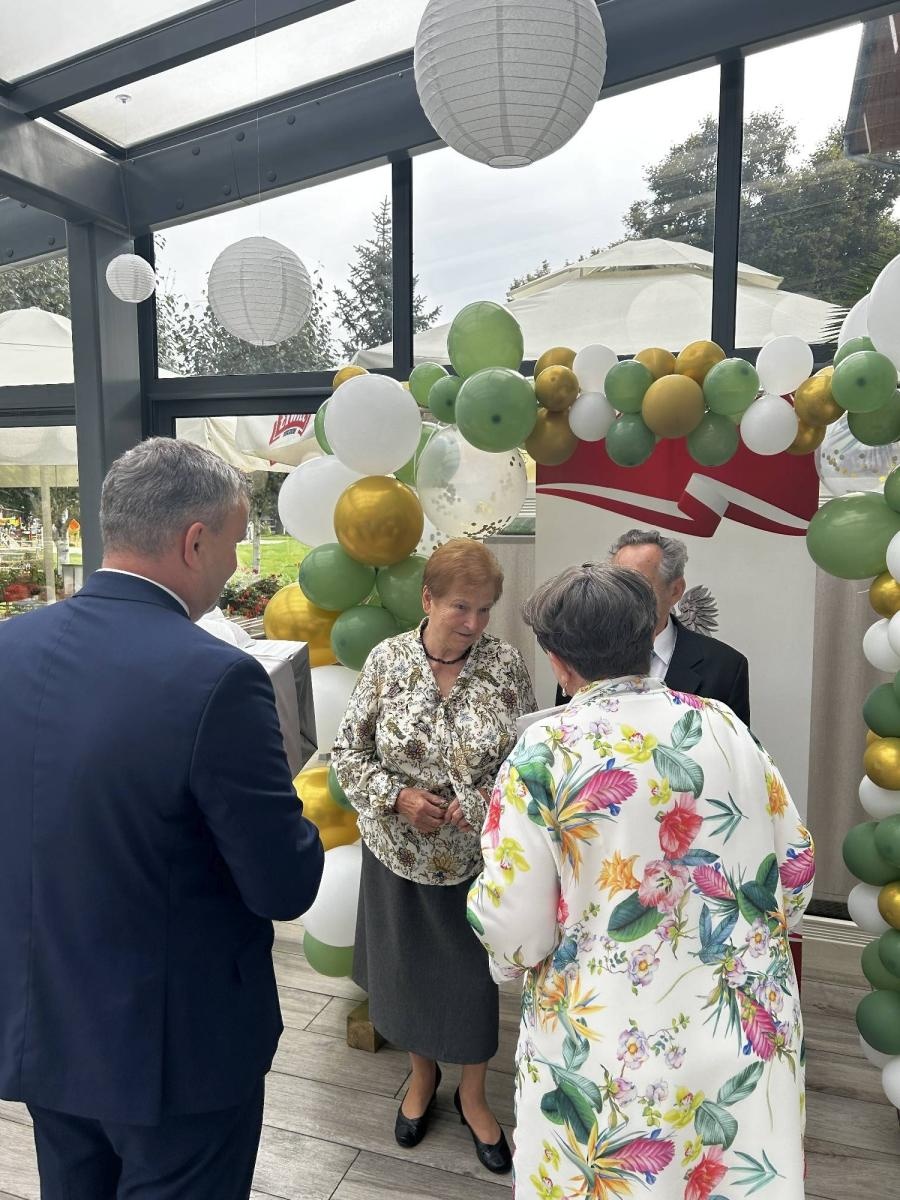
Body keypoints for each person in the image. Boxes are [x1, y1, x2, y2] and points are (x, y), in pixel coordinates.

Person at [0, 438, 324, 1200]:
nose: (238, 564)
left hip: (44, 1025)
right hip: (176, 1056)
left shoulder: (9, 648)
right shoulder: (217, 678)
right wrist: (295, 799)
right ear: (195, 540)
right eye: (238, 542)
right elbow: (284, 885)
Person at [469, 563, 814, 1199]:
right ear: (645, 632)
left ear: (558, 662)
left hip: (613, 1051)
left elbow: (515, 929)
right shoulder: (721, 724)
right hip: (741, 1032)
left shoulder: (544, 750)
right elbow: (794, 875)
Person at [331, 538, 535, 1174]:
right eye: (459, 607)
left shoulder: (504, 665)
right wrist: (395, 798)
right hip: (396, 856)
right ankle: (420, 1080)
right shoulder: (387, 661)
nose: (472, 623)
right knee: (407, 976)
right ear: (426, 599)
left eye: (483, 609)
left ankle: (472, 1096)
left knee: (472, 986)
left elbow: (524, 764)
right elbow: (346, 752)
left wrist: (472, 806)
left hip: (475, 863)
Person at [555, 529, 750, 725]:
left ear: (675, 590)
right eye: (615, 585)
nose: (622, 597)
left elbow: (732, 750)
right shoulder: (581, 654)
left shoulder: (724, 667)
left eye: (637, 586)